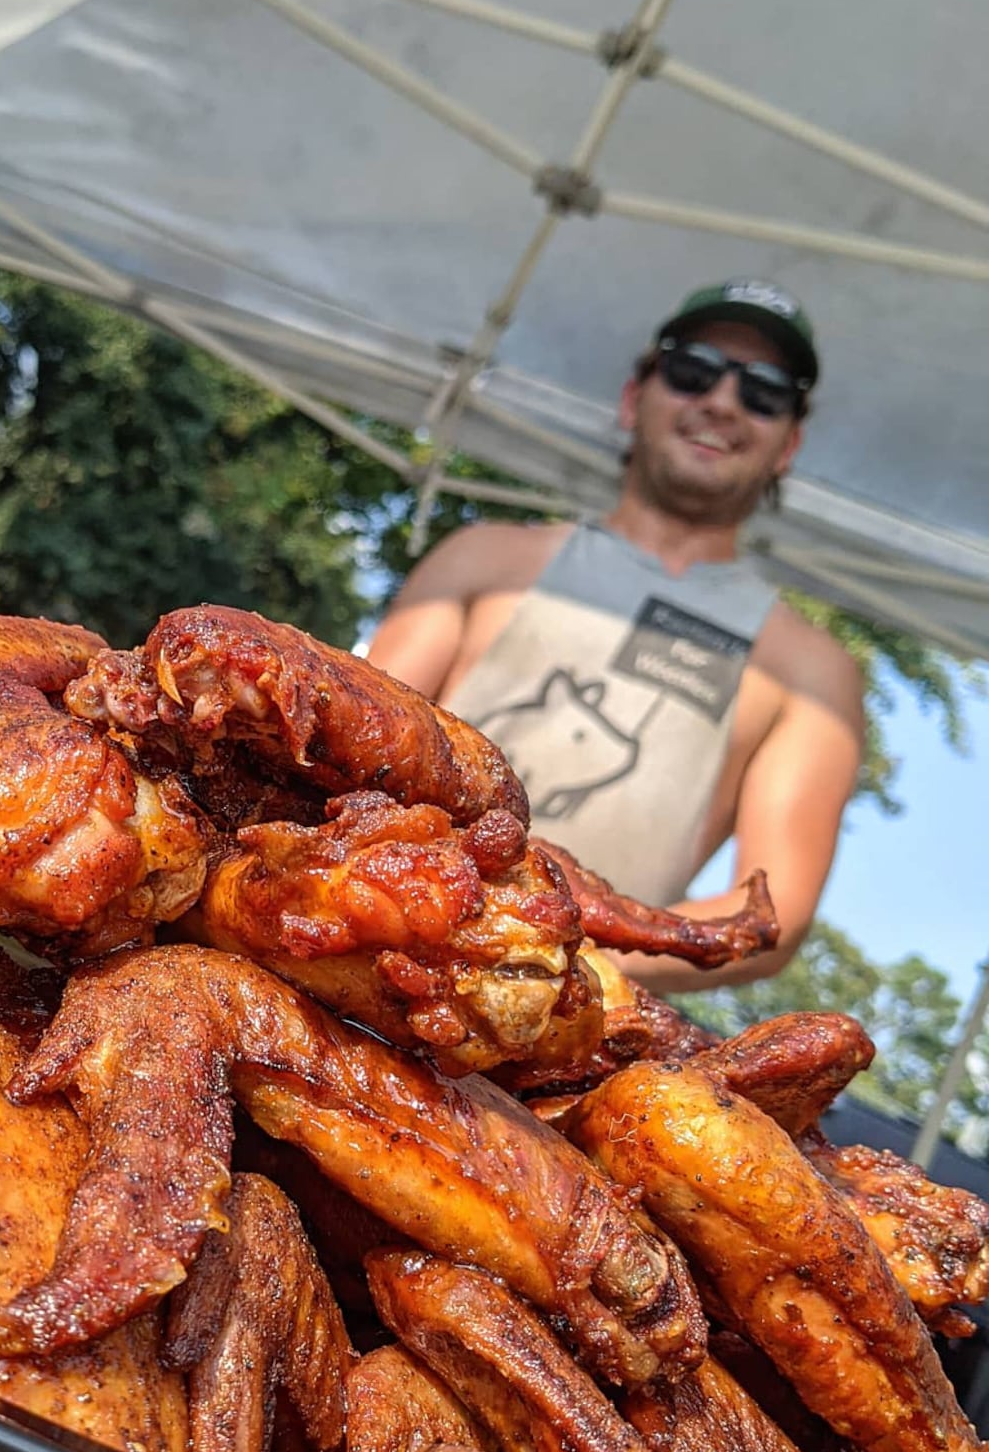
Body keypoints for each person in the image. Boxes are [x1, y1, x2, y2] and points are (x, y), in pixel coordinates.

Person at [367, 280, 865, 991]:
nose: (722, 403)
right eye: (693, 371)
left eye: (764, 392)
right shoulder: (484, 558)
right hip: (375, 952)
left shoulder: (810, 672)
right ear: (636, 397)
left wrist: (553, 968)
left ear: (789, 443)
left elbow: (771, 914)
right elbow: (359, 750)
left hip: (560, 1033)